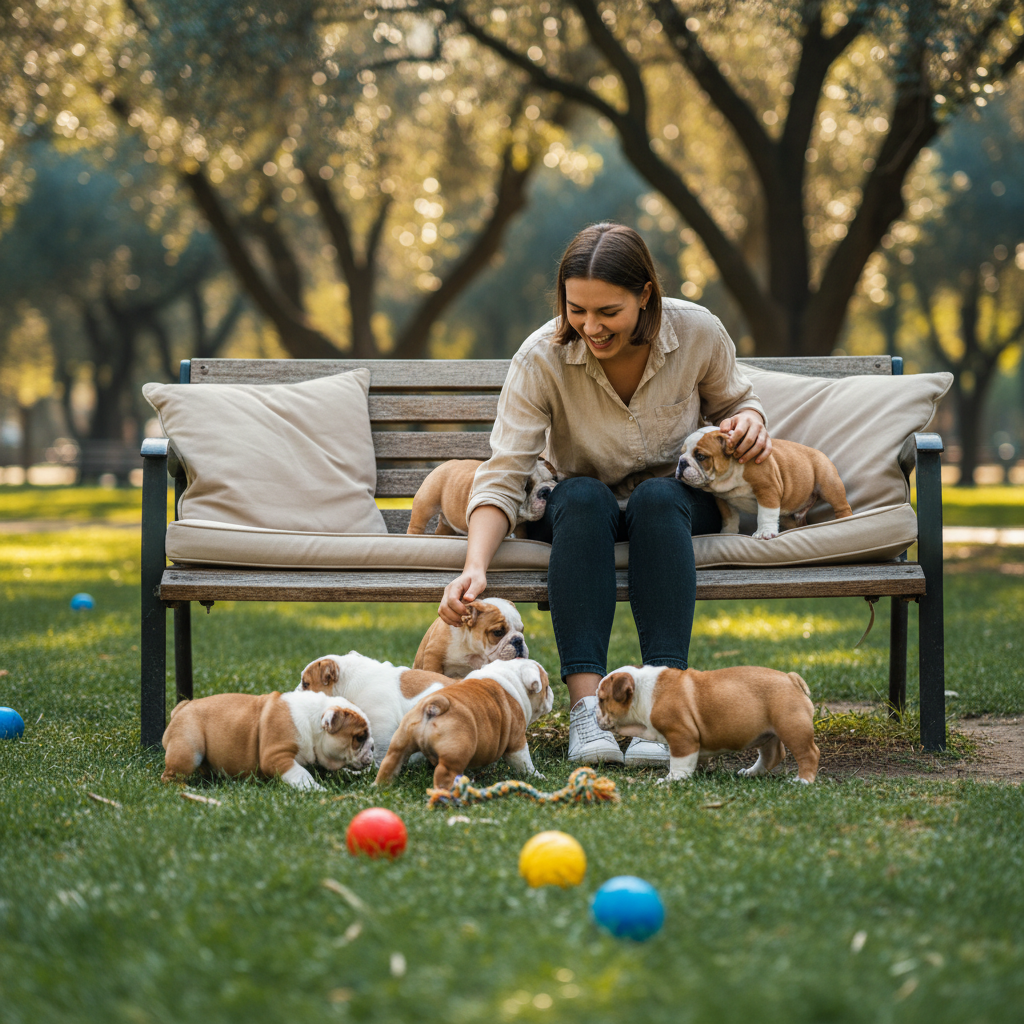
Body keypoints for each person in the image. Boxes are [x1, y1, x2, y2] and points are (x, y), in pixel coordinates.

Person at [437, 223, 771, 765]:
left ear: (645, 296)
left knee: (656, 498)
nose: (591, 327)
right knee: (584, 496)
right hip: (578, 512)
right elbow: (504, 473)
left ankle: (661, 709)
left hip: (675, 504)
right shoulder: (540, 357)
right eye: (577, 310)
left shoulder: (698, 332)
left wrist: (750, 421)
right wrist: (474, 566)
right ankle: (587, 714)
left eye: (608, 312)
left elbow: (737, 402)